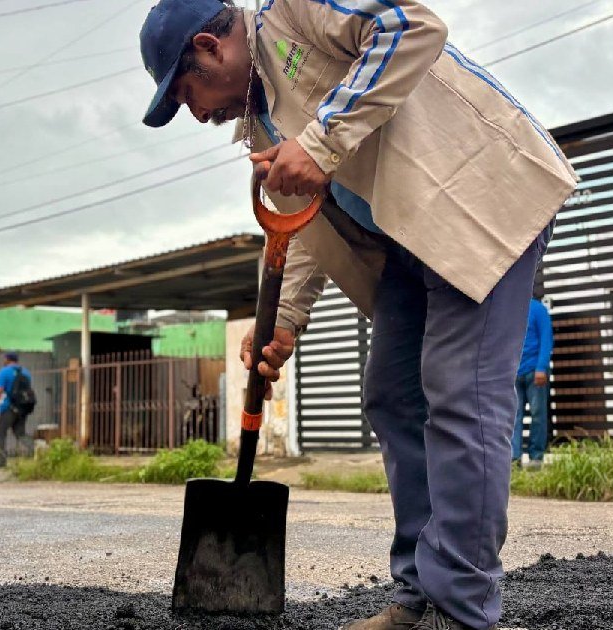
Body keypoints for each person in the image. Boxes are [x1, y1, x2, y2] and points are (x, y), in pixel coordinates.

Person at [137, 2, 576, 629]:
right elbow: (305, 215)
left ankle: (464, 610)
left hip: (479, 201)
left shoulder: (291, 11)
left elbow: (411, 27)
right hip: (407, 245)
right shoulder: (259, 126)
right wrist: (285, 318)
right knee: (394, 397)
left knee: (460, 393)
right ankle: (416, 592)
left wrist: (319, 142)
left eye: (188, 94)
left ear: (209, 48)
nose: (199, 115)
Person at [513, 294, 553, 468]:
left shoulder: (538, 309)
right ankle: (514, 458)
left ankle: (536, 457)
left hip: (535, 371)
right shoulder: (509, 311)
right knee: (513, 417)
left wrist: (541, 367)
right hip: (513, 374)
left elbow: (546, 339)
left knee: (537, 415)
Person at [0, 352, 34, 468]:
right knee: (20, 434)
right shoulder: (26, 372)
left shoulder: (3, 372)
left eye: (4, 358)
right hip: (22, 408)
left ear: (7, 359)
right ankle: (38, 450)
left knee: (1, 433)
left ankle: (1, 462)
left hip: (7, 408)